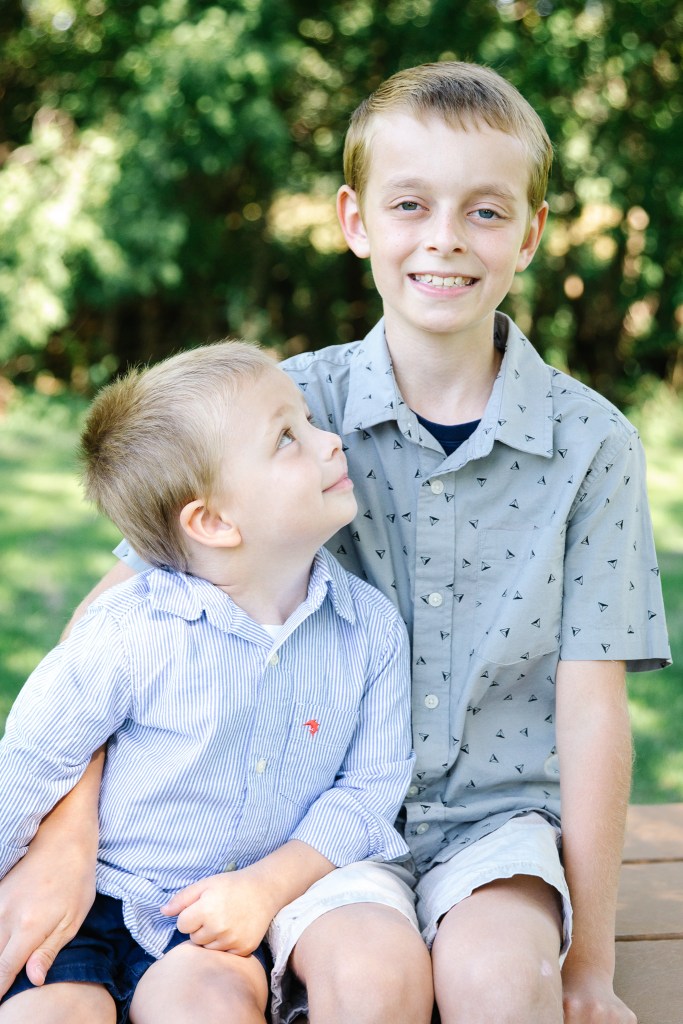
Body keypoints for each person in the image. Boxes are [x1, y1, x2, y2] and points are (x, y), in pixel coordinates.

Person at [0, 60, 671, 1024]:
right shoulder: (285, 408)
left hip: (496, 825)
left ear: (528, 234)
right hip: (301, 832)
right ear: (355, 221)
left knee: (495, 986)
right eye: (410, 205)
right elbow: (118, 628)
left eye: (485, 212)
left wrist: (590, 967)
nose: (444, 238)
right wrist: (62, 844)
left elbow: (593, 707)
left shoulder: (591, 444)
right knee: (366, 980)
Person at [0, 341, 415, 1024]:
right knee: (51, 1013)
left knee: (209, 1008)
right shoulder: (129, 632)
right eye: (287, 438)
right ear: (213, 522)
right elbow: (30, 763)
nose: (330, 442)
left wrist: (264, 888)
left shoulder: (368, 631)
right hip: (92, 898)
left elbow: (368, 791)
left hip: (212, 917)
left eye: (310, 421)